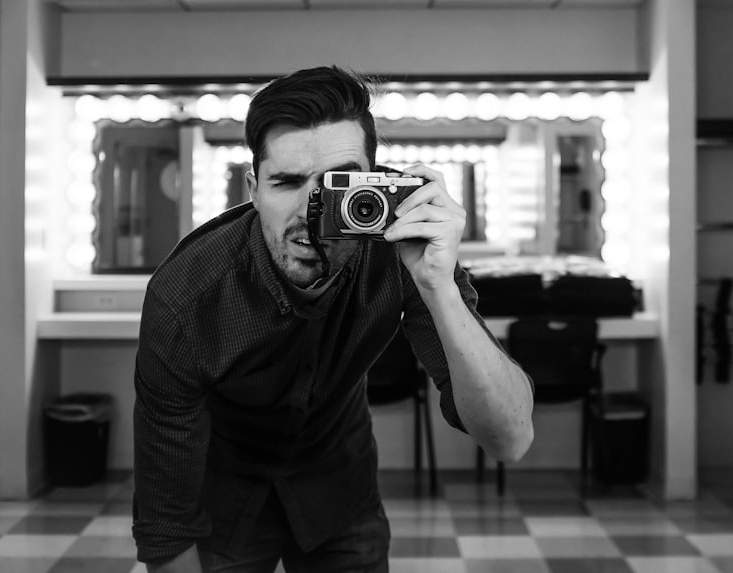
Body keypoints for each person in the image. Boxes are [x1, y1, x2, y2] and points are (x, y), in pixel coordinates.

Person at [132, 65, 534, 573]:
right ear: (253, 189)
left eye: (338, 185)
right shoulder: (186, 297)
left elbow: (510, 438)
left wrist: (440, 287)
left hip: (339, 485)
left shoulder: (399, 245)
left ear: (372, 181)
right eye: (287, 182)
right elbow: (164, 518)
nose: (313, 211)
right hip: (222, 495)